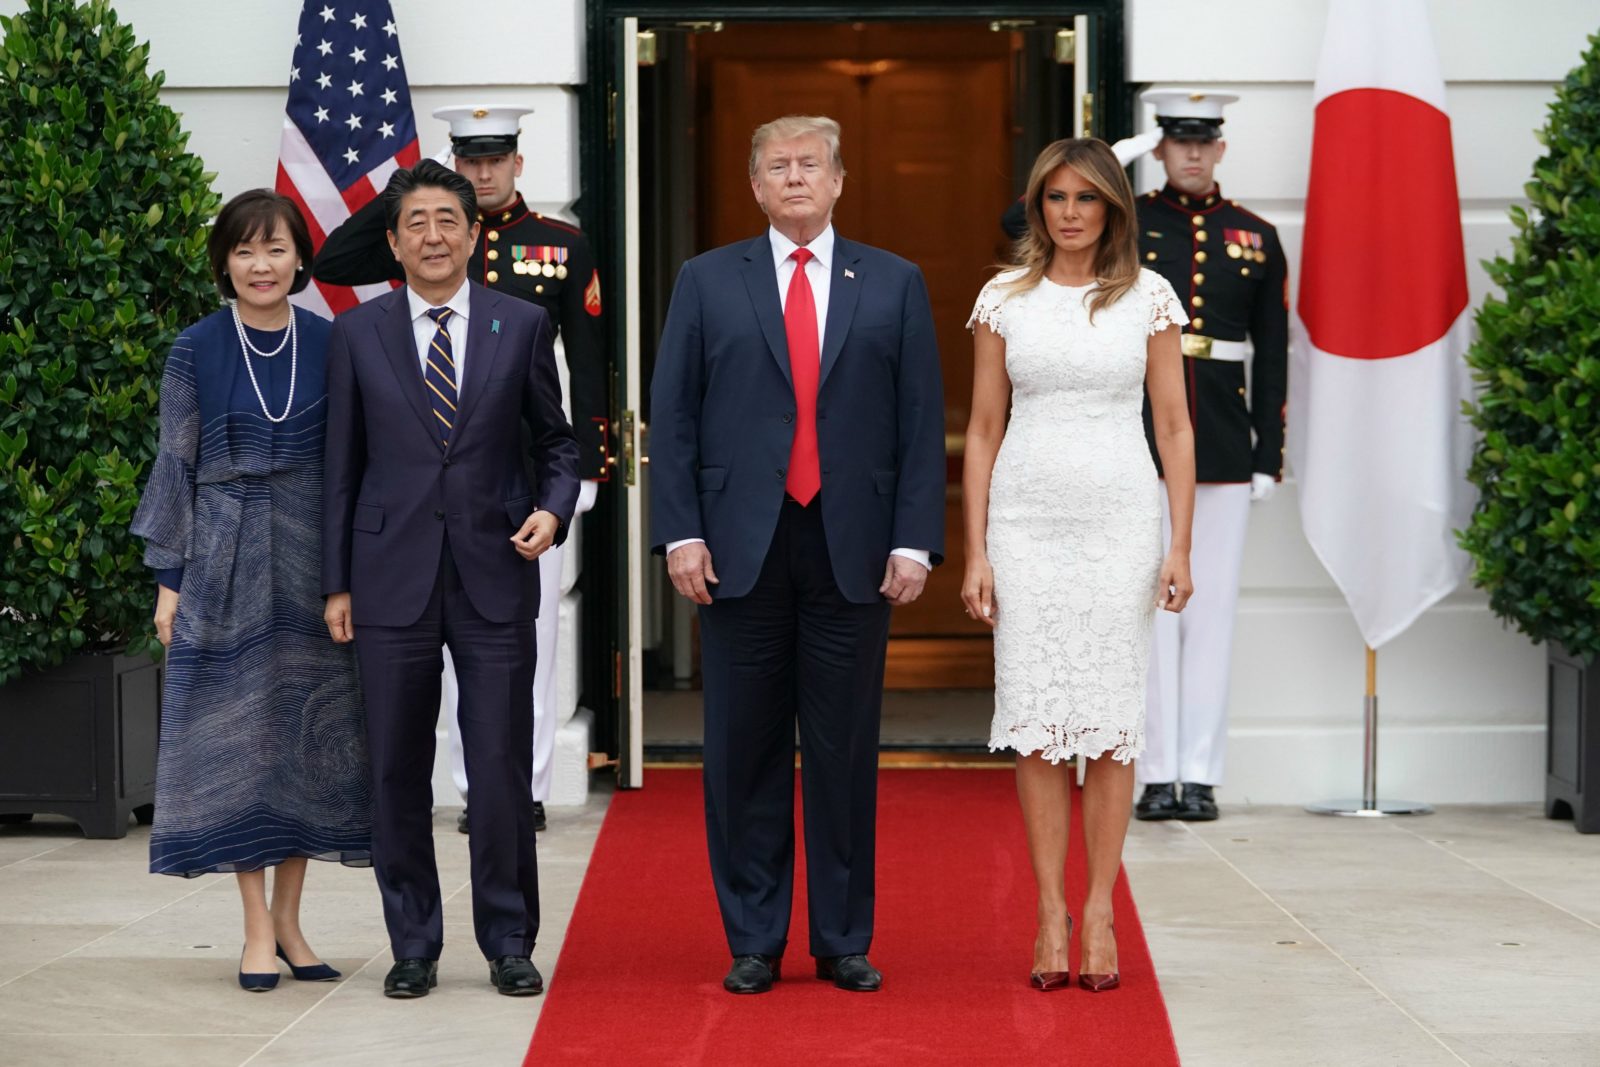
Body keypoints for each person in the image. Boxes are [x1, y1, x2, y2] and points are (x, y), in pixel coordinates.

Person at [650, 115, 946, 996]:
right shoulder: (707, 281)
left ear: (839, 180)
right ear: (753, 186)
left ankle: (842, 935)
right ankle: (753, 937)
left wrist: (913, 539)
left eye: (808, 165)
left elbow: (921, 421)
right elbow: (674, 417)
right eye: (775, 167)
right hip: (739, 546)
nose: (793, 179)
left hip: (853, 547)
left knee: (844, 746)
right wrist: (682, 531)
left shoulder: (894, 283)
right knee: (742, 747)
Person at [320, 159, 580, 999]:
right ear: (393, 242)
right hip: (386, 578)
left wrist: (553, 507)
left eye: (448, 220)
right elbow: (341, 469)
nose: (433, 235)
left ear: (474, 233)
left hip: (495, 571)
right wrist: (336, 583)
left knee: (499, 764)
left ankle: (508, 937)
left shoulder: (522, 323)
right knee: (396, 767)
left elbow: (559, 444)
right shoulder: (358, 334)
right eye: (416, 223)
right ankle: (413, 942)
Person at [314, 104, 607, 837]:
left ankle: (520, 786)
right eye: (468, 161)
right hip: (409, 514)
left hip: (511, 496)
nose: (482, 172)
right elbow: (333, 264)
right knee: (410, 705)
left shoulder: (557, 246)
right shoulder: (418, 239)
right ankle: (470, 790)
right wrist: (414, 190)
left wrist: (581, 479)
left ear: (516, 163)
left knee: (521, 669)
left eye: (493, 160)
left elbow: (588, 365)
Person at [962, 138, 1195, 993]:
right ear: (1038, 206)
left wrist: (1179, 543)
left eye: (1085, 199)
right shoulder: (1003, 298)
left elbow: (1174, 427)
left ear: (1112, 211)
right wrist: (978, 546)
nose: (1068, 213)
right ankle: (1048, 910)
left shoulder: (1150, 298)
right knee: (1035, 717)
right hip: (1025, 527)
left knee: (1107, 720)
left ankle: (1100, 907)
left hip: (1122, 524)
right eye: (1055, 197)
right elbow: (984, 428)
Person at [131, 189, 371, 992]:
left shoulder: (335, 343)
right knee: (239, 742)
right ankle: (254, 927)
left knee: (309, 737)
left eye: (275, 249)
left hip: (314, 563)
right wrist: (170, 581)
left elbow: (355, 468)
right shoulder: (194, 348)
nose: (260, 265)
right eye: (243, 250)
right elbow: (176, 467)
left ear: (301, 258)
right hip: (223, 556)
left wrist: (351, 574)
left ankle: (295, 922)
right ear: (222, 264)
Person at [1129, 89, 1288, 823]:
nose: (1192, 153)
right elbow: (1021, 220)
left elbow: (1275, 354)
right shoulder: (1127, 223)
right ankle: (1155, 771)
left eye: (1204, 142)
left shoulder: (1254, 235)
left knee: (1210, 610)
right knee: (1148, 612)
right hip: (1138, 438)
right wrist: (1114, 159)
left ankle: (1200, 773)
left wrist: (1268, 450)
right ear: (1159, 147)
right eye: (1176, 141)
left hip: (1222, 438)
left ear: (1220, 148)